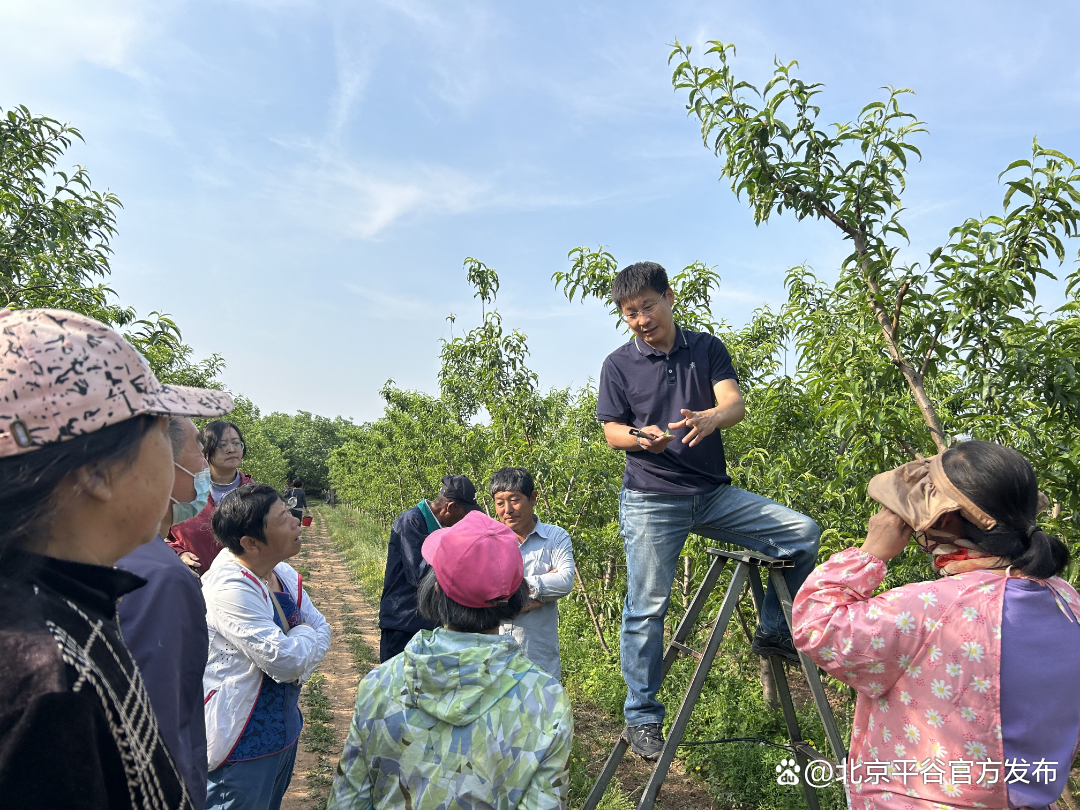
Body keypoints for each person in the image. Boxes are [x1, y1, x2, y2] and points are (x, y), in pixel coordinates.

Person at [0, 307, 233, 809]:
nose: (176, 455)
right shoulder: (47, 681)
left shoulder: (58, 610)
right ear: (97, 470)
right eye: (160, 430)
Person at [595, 261, 821, 760]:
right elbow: (611, 430)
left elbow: (734, 404)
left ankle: (774, 630)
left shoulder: (707, 348)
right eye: (629, 313)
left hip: (713, 494)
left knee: (802, 533)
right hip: (651, 499)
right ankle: (642, 715)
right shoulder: (618, 364)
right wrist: (639, 437)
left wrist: (712, 417)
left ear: (670, 298)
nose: (641, 320)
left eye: (648, 307)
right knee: (646, 607)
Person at [793, 441, 1079, 810]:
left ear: (942, 520)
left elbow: (816, 624)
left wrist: (870, 552)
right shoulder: (1065, 600)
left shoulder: (929, 608)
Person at [328, 511, 573, 810]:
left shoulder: (379, 685)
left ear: (436, 589)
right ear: (515, 598)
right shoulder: (546, 700)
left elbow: (347, 801)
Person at [202, 482, 331, 810]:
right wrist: (304, 636)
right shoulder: (229, 588)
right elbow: (286, 663)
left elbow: (323, 629)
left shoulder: (280, 572)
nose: (296, 521)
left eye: (289, 512)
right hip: (241, 743)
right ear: (250, 543)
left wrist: (300, 643)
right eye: (282, 518)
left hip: (281, 731)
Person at [116, 416, 213, 809]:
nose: (206, 465)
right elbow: (159, 726)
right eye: (199, 449)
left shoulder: (121, 554)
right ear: (158, 464)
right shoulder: (162, 577)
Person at [378, 474, 481, 662]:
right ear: (450, 507)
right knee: (397, 676)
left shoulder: (443, 528)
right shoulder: (411, 522)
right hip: (403, 621)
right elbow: (421, 573)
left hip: (430, 623)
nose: (465, 521)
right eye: (465, 514)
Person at [490, 467, 576, 680]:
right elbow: (483, 594)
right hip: (495, 659)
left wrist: (511, 593)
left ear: (533, 498)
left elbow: (565, 581)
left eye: (514, 500)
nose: (508, 510)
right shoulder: (488, 542)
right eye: (500, 503)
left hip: (539, 657)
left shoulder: (555, 537)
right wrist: (537, 595)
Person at [167, 420, 255, 573]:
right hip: (191, 580)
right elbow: (159, 535)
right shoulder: (184, 490)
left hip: (240, 582)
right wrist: (178, 553)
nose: (231, 449)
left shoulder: (255, 493)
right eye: (222, 445)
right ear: (205, 450)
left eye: (236, 443)